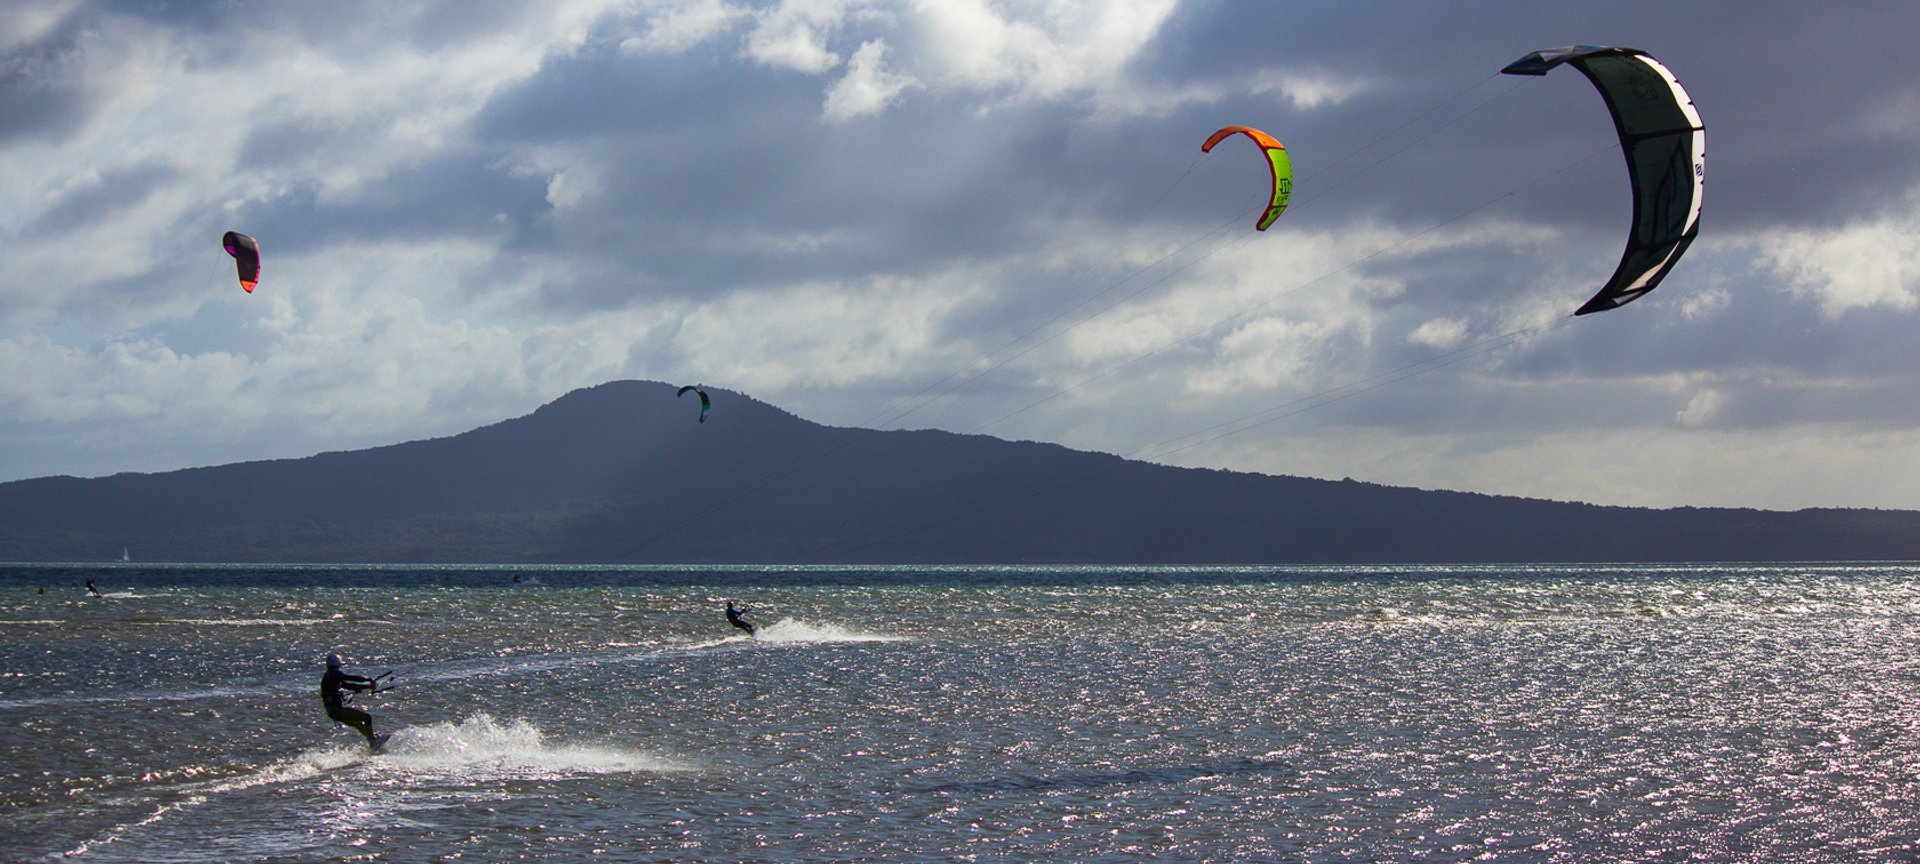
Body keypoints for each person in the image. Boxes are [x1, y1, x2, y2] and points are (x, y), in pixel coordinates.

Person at [320, 653, 387, 750]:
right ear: (338, 663)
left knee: (358, 723)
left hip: (332, 712)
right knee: (367, 717)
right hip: (337, 710)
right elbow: (350, 678)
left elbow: (348, 685)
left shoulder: (329, 676)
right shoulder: (335, 673)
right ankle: (373, 741)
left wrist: (367, 686)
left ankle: (373, 739)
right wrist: (367, 679)